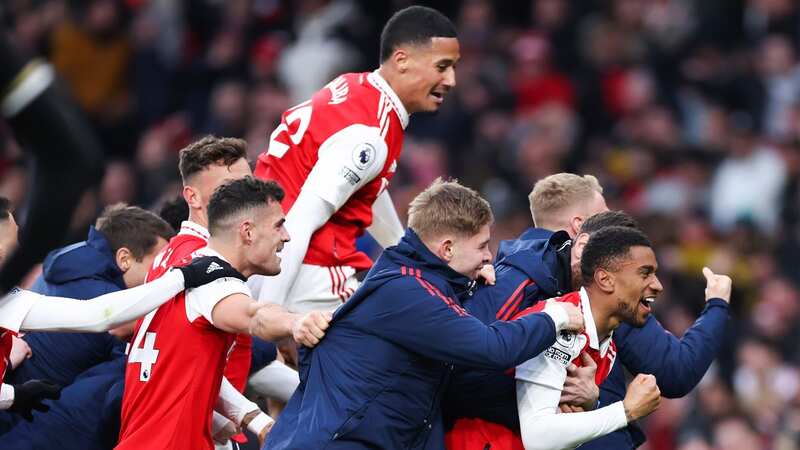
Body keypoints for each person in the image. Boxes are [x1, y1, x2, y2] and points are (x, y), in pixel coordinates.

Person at [265, 179, 584, 450]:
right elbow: (492, 348)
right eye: (482, 246)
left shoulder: (406, 277)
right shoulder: (406, 292)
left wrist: (464, 283)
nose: (490, 256)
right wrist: (553, 316)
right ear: (447, 249)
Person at [444, 173, 732, 450]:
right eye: (604, 218)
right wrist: (717, 305)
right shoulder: (598, 293)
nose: (615, 230)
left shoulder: (501, 277)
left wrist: (591, 401)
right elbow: (677, 370)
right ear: (580, 230)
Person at [251, 5, 459, 313]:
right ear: (402, 60)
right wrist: (266, 315)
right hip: (304, 271)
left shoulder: (355, 87)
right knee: (423, 336)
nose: (451, 80)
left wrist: (404, 252)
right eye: (442, 66)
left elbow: (364, 190)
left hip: (260, 252)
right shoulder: (370, 136)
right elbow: (300, 220)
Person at [116, 177, 331, 450]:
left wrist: (252, 417)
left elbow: (188, 366)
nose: (286, 236)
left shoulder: (178, 264)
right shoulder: (216, 282)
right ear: (247, 232)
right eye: (278, 225)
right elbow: (255, 316)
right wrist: (296, 322)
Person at [514, 226, 730, 450]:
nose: (658, 285)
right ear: (605, 280)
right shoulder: (559, 323)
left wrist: (594, 403)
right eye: (644, 273)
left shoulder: (605, 338)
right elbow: (538, 439)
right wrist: (626, 410)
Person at [9, 204, 174, 388]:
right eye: (160, 262)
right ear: (124, 259)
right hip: (23, 409)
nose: (165, 271)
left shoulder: (69, 265)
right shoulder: (113, 309)